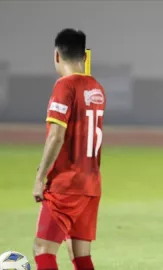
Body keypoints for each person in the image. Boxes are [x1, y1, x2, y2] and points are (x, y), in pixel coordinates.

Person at [32, 28, 106, 270]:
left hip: (66, 184)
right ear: (85, 57)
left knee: (43, 249)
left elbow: (56, 137)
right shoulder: (96, 88)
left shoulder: (64, 87)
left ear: (56, 56)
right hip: (91, 184)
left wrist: (40, 177)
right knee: (80, 255)